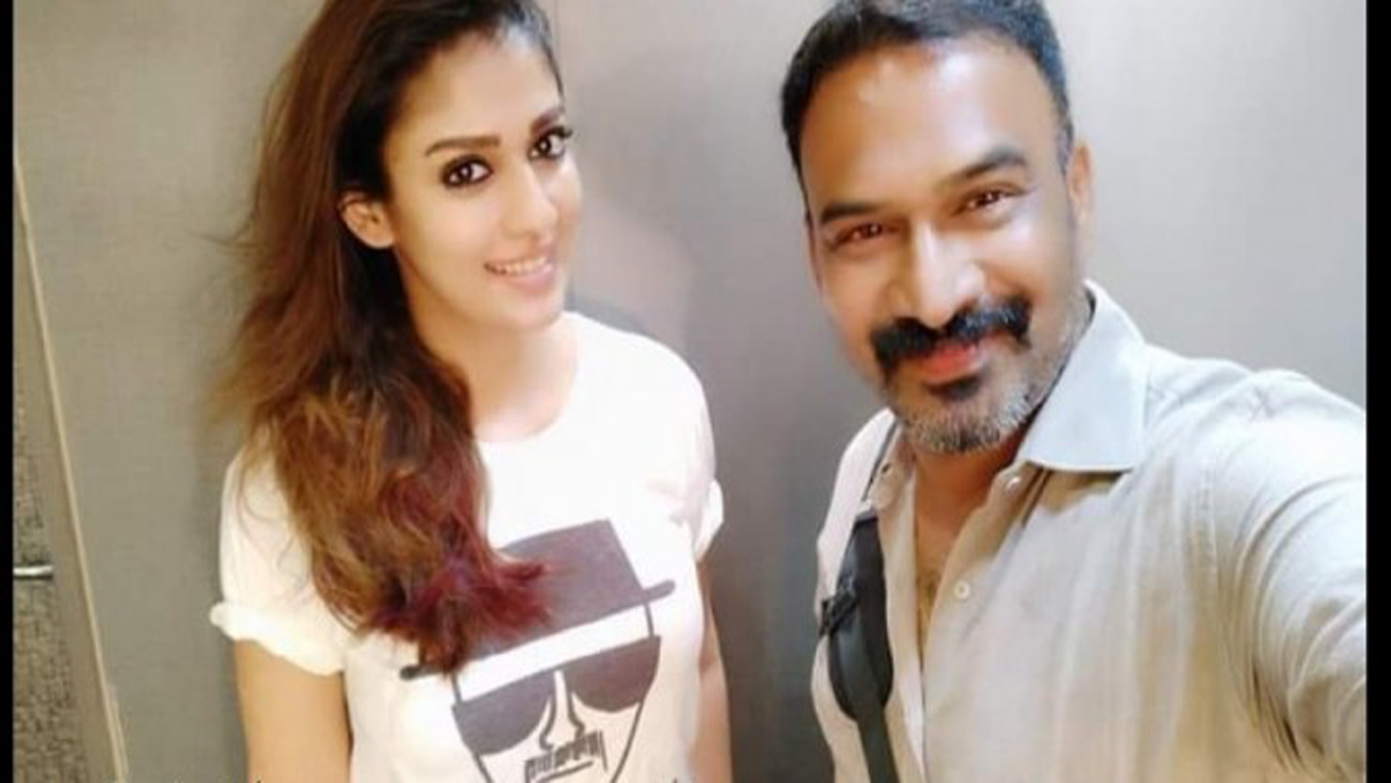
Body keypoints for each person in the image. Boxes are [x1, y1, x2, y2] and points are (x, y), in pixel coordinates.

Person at [777, 1, 1365, 782]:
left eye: (984, 199)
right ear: (816, 258)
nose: (934, 297)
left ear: (1074, 189)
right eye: (865, 232)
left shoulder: (1233, 489)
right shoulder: (865, 476)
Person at [208, 2, 732, 781]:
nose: (536, 212)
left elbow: (700, 675)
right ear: (370, 213)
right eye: (466, 171)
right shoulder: (294, 480)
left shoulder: (656, 397)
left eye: (546, 145)